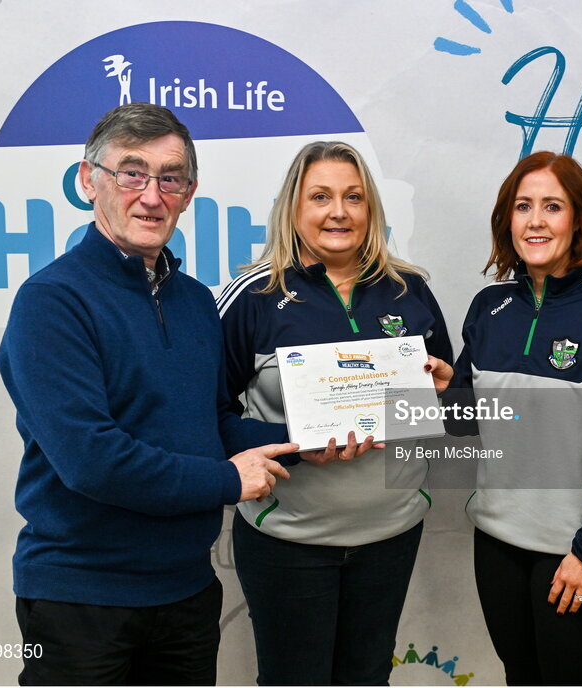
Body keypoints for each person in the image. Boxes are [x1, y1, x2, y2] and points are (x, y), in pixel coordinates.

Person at [0, 103, 299, 685]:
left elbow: (211, 422)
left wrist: (314, 436)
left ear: (189, 192)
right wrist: (229, 481)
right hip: (80, 603)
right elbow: (92, 461)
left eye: (171, 178)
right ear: (89, 181)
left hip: (186, 594)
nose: (152, 195)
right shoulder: (52, 302)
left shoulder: (192, 301)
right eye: (131, 173)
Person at [215, 140, 454, 685]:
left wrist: (444, 390)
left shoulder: (409, 290)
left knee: (368, 677)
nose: (338, 212)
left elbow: (450, 405)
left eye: (353, 197)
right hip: (289, 542)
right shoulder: (252, 296)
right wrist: (295, 442)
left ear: (371, 209)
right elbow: (212, 416)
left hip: (390, 536)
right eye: (320, 196)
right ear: (293, 209)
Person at [450, 152, 582, 685]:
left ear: (579, 219)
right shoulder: (489, 304)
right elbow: (464, 419)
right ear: (507, 219)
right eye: (523, 206)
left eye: (552, 206)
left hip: (575, 549)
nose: (536, 220)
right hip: (497, 541)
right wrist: (438, 386)